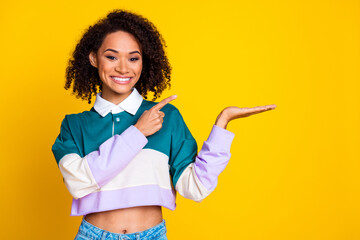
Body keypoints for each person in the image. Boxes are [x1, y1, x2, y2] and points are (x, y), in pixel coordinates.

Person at [51, 9, 276, 240]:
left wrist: (222, 124)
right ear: (93, 58)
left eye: (133, 58)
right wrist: (137, 132)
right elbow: (77, 183)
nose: (123, 68)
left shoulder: (165, 116)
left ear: (142, 62)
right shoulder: (74, 125)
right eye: (111, 57)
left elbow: (194, 187)